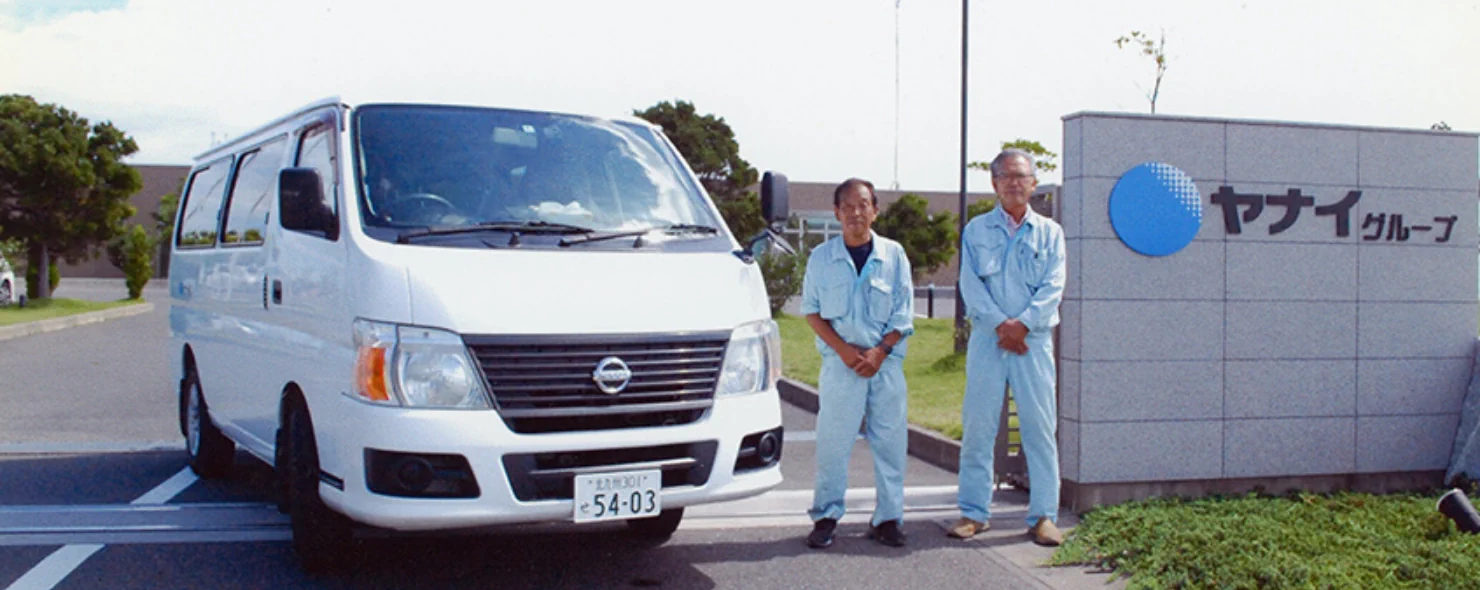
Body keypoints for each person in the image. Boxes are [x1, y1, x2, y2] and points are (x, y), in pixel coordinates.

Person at [950, 149, 1067, 546]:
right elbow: (970, 285)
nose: (1014, 183)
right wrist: (1002, 326)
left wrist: (1023, 326)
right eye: (1006, 176)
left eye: (1022, 176)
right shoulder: (976, 231)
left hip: (1032, 342)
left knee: (1039, 429)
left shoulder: (1051, 233)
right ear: (994, 184)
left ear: (1034, 183)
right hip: (989, 340)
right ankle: (973, 512)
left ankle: (1043, 516)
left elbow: (1054, 287)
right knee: (979, 427)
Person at [799, 178, 915, 549]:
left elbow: (903, 312)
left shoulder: (894, 255)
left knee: (891, 444)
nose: (855, 213)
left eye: (863, 205)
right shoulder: (822, 258)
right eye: (847, 206)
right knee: (833, 444)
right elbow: (812, 312)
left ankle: (888, 518)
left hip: (886, 365)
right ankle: (826, 516)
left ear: (875, 210)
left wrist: (880, 351)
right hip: (840, 366)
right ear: (836, 213)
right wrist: (845, 351)